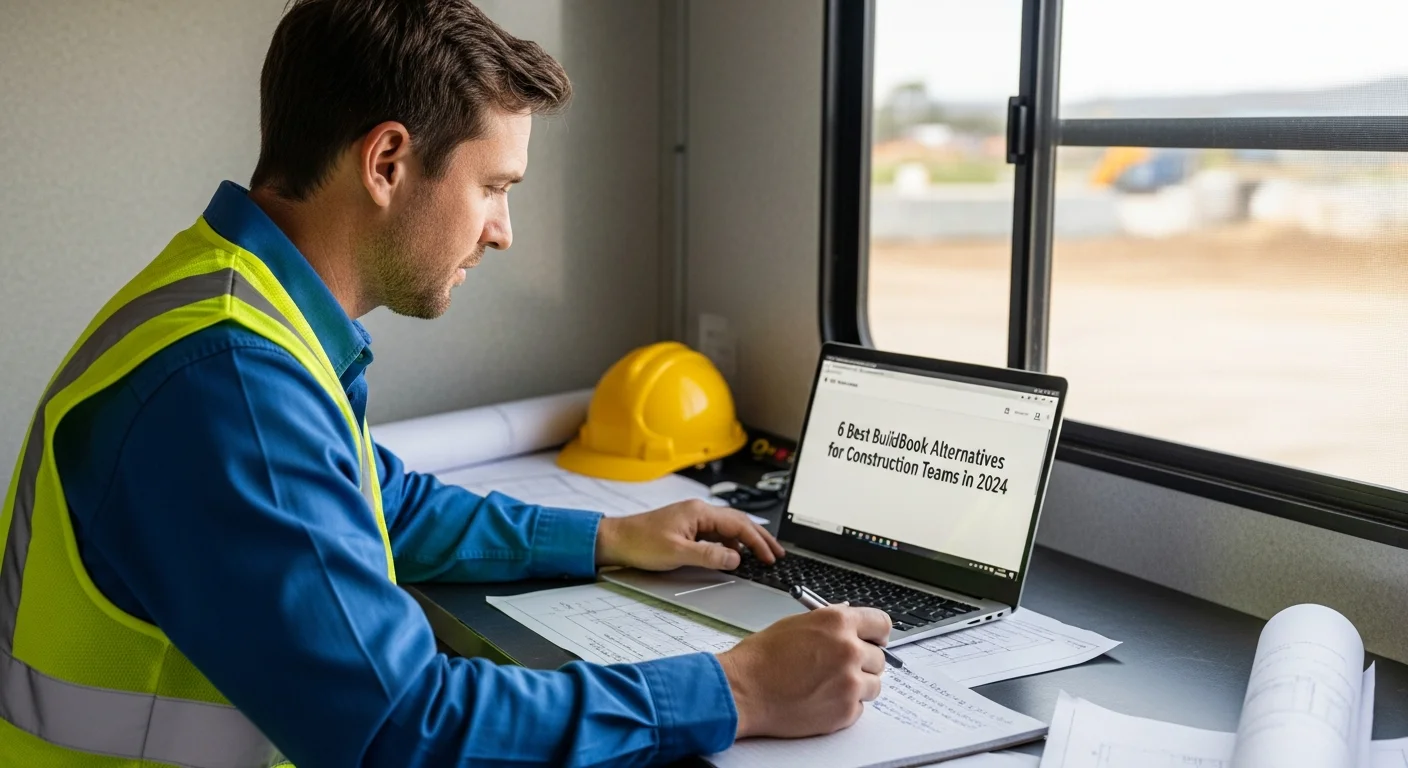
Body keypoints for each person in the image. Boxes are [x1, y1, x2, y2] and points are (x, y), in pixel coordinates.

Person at [0, 1, 892, 766]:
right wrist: (735, 690)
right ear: (387, 162)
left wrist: (610, 536)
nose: (503, 233)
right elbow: (404, 727)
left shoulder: (236, 304)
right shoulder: (229, 382)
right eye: (494, 187)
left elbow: (385, 503)